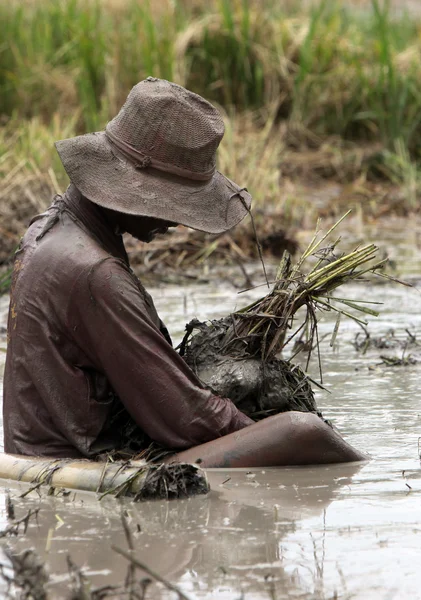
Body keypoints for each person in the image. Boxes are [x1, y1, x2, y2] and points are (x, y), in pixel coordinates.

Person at [3, 78, 366, 467]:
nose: (177, 222)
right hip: (82, 465)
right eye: (172, 204)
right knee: (302, 431)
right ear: (131, 188)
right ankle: (369, 473)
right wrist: (261, 429)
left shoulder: (52, 227)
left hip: (38, 451)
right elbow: (184, 418)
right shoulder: (97, 275)